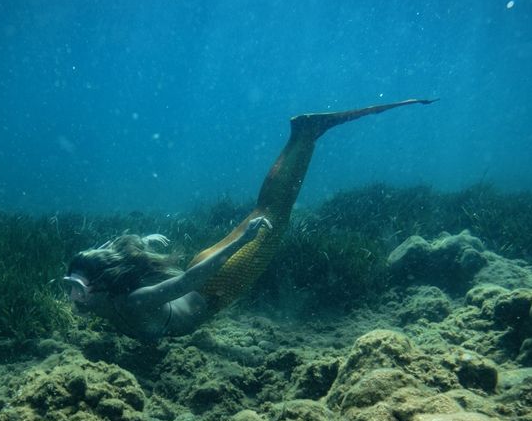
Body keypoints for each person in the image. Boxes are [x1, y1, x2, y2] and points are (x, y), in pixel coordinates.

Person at [63, 98, 435, 339]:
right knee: (266, 211)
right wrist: (143, 245)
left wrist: (245, 241)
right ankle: (304, 133)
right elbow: (110, 258)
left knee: (273, 214)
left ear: (99, 287)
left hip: (216, 284)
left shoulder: (131, 302)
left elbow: (192, 279)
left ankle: (306, 134)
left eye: (75, 288)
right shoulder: (110, 298)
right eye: (70, 287)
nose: (72, 298)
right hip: (205, 279)